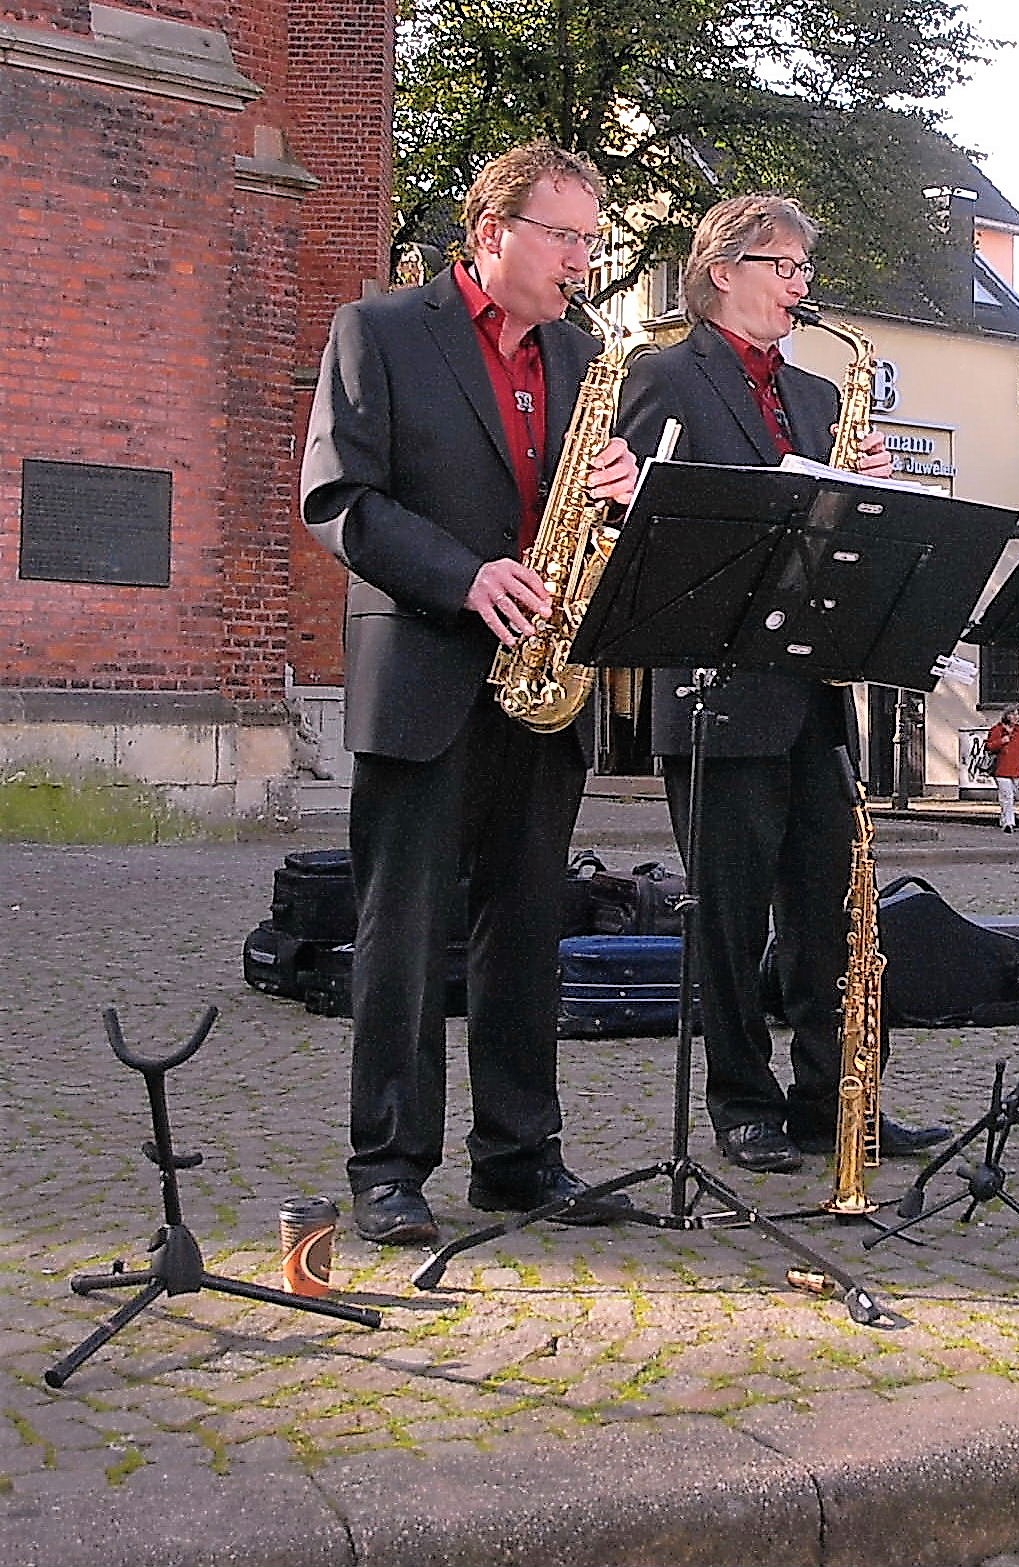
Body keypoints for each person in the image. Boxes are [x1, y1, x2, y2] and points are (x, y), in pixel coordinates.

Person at [301, 140, 640, 1245]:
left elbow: (575, 518)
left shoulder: (587, 357)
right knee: (403, 929)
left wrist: (620, 494)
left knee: (528, 925)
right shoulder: (382, 330)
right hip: (428, 670)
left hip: (543, 682)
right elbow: (340, 498)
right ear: (493, 231)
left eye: (591, 239)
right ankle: (389, 1166)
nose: (582, 260)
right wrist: (466, 574)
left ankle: (518, 1158)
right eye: (564, 235)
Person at [614, 192, 948, 1173]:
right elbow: (631, 525)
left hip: (809, 694)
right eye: (786, 267)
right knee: (725, 915)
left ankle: (835, 1099)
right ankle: (741, 1101)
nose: (803, 286)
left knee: (836, 913)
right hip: (714, 693)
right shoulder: (664, 376)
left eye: (807, 270)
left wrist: (867, 501)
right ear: (725, 271)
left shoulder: (820, 398)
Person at [986, 704, 1019, 832]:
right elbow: (989, 746)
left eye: (1017, 714)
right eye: (1012, 714)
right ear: (1006, 716)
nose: (1015, 717)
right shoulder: (997, 729)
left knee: (1010, 796)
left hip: (1017, 769)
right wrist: (1001, 741)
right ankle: (1009, 823)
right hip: (1001, 769)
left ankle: (1004, 818)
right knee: (1007, 796)